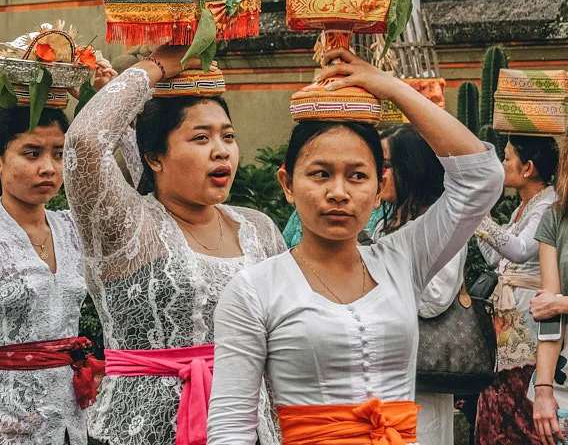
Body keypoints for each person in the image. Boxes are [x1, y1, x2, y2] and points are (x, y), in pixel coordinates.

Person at [207, 48, 504, 445]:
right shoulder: (253, 291)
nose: (339, 192)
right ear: (287, 184)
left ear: (380, 187)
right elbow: (231, 427)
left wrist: (390, 87)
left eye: (357, 176)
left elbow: (482, 178)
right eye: (320, 174)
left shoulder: (402, 259)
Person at [64, 45, 286, 445]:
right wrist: (162, 65)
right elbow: (83, 142)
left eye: (228, 136)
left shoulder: (260, 228)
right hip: (137, 432)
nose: (221, 150)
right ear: (153, 157)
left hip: (247, 431)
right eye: (201, 138)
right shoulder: (128, 226)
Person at [0, 59, 116, 445]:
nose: (49, 168)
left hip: (75, 421)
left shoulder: (74, 229)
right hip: (3, 427)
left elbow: (138, 190)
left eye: (58, 153)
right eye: (32, 153)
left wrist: (103, 99)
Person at [374, 124, 465, 445]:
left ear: (411, 167)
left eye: (386, 164)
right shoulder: (389, 222)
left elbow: (435, 298)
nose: (378, 172)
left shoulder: (442, 224)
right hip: (382, 369)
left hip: (422, 374)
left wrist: (374, 282)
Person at [474, 135, 559, 444]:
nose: (502, 165)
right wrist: (478, 220)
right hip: (510, 320)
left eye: (507, 158)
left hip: (529, 320)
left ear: (528, 168)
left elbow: (521, 250)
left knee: (522, 414)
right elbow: (498, 257)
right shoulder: (524, 208)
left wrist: (481, 221)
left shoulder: (547, 205)